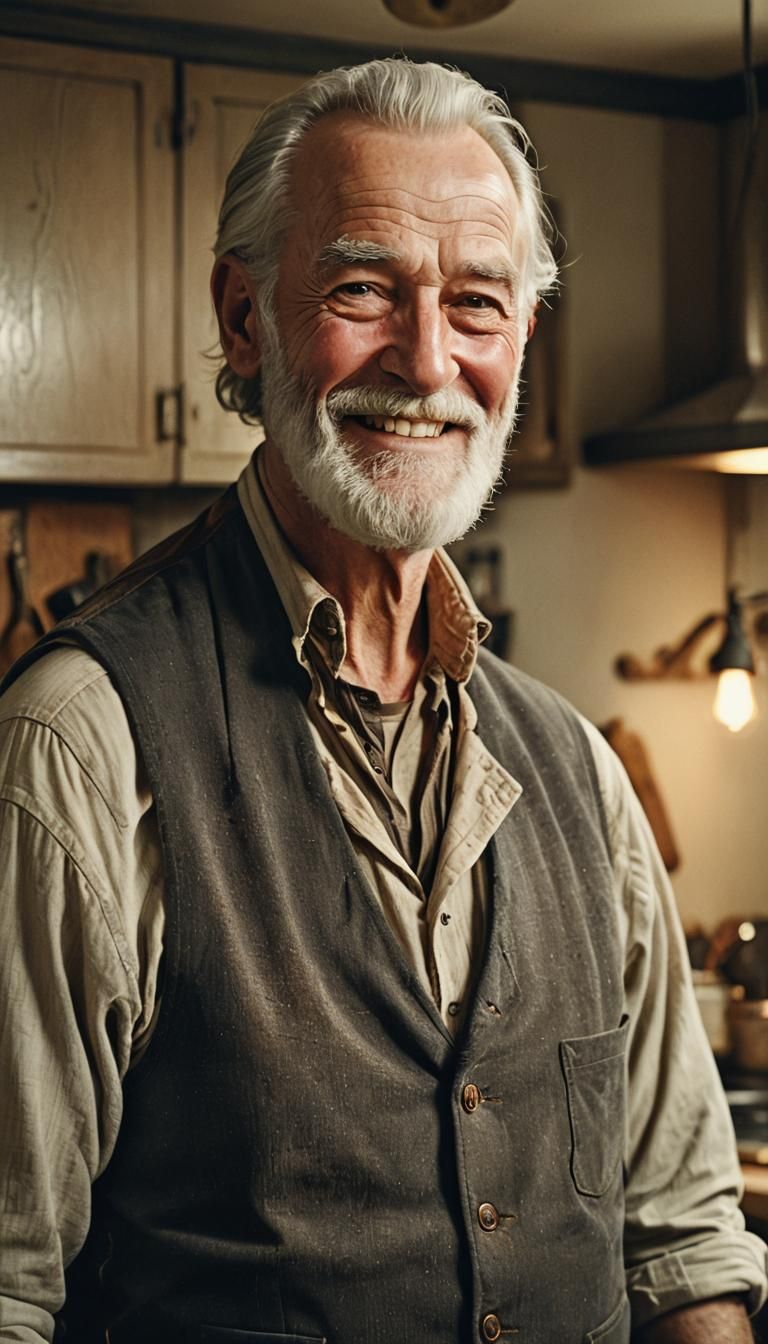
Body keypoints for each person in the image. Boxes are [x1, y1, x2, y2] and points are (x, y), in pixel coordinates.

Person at [0, 57, 765, 1344]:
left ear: (523, 340)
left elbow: (682, 1246)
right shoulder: (80, 746)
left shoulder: (575, 765)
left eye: (478, 303)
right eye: (363, 289)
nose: (427, 360)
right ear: (244, 319)